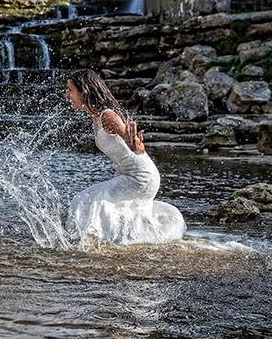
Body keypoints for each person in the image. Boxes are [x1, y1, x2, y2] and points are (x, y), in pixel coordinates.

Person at [64, 69, 186, 247]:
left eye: (70, 90)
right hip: (127, 174)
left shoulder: (107, 116)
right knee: (98, 202)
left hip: (140, 177)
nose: (67, 95)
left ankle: (86, 241)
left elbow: (134, 145)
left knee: (86, 199)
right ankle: (105, 242)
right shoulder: (96, 118)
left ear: (84, 91)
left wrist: (135, 142)